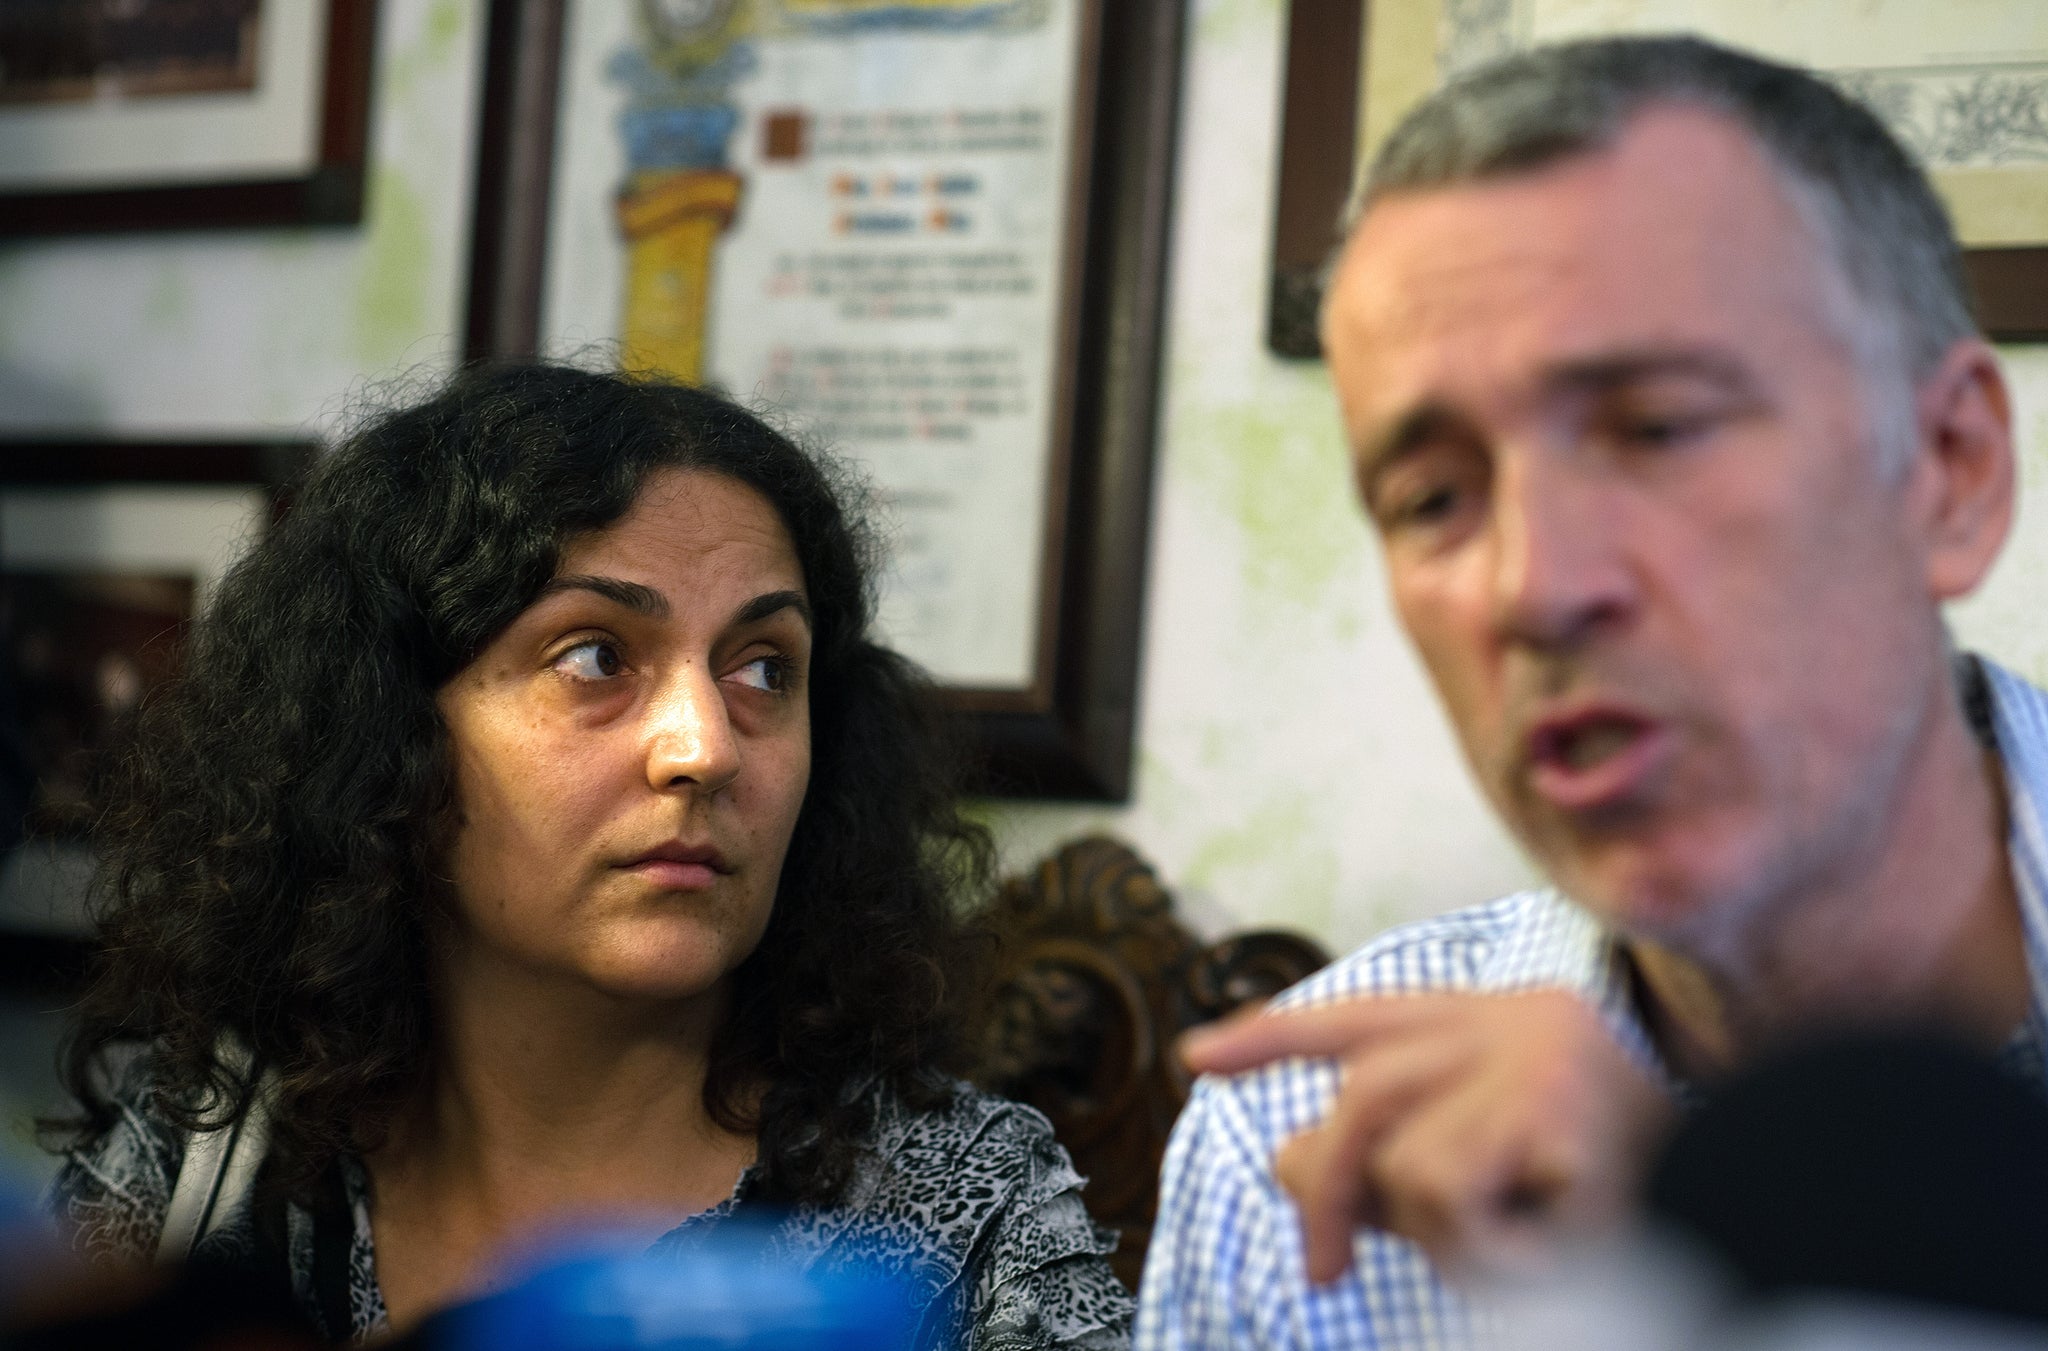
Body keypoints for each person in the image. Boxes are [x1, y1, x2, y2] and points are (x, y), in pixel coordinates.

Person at [1136, 33, 2037, 1348]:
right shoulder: (1308, 1136)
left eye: (1659, 427)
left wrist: (1675, 1267)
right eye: (1433, 498)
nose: (1532, 587)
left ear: (1949, 468)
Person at [45, 364, 1133, 1348]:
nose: (703, 747)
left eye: (763, 671)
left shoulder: (963, 1202)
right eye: (596, 655)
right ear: (384, 735)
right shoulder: (205, 1152)